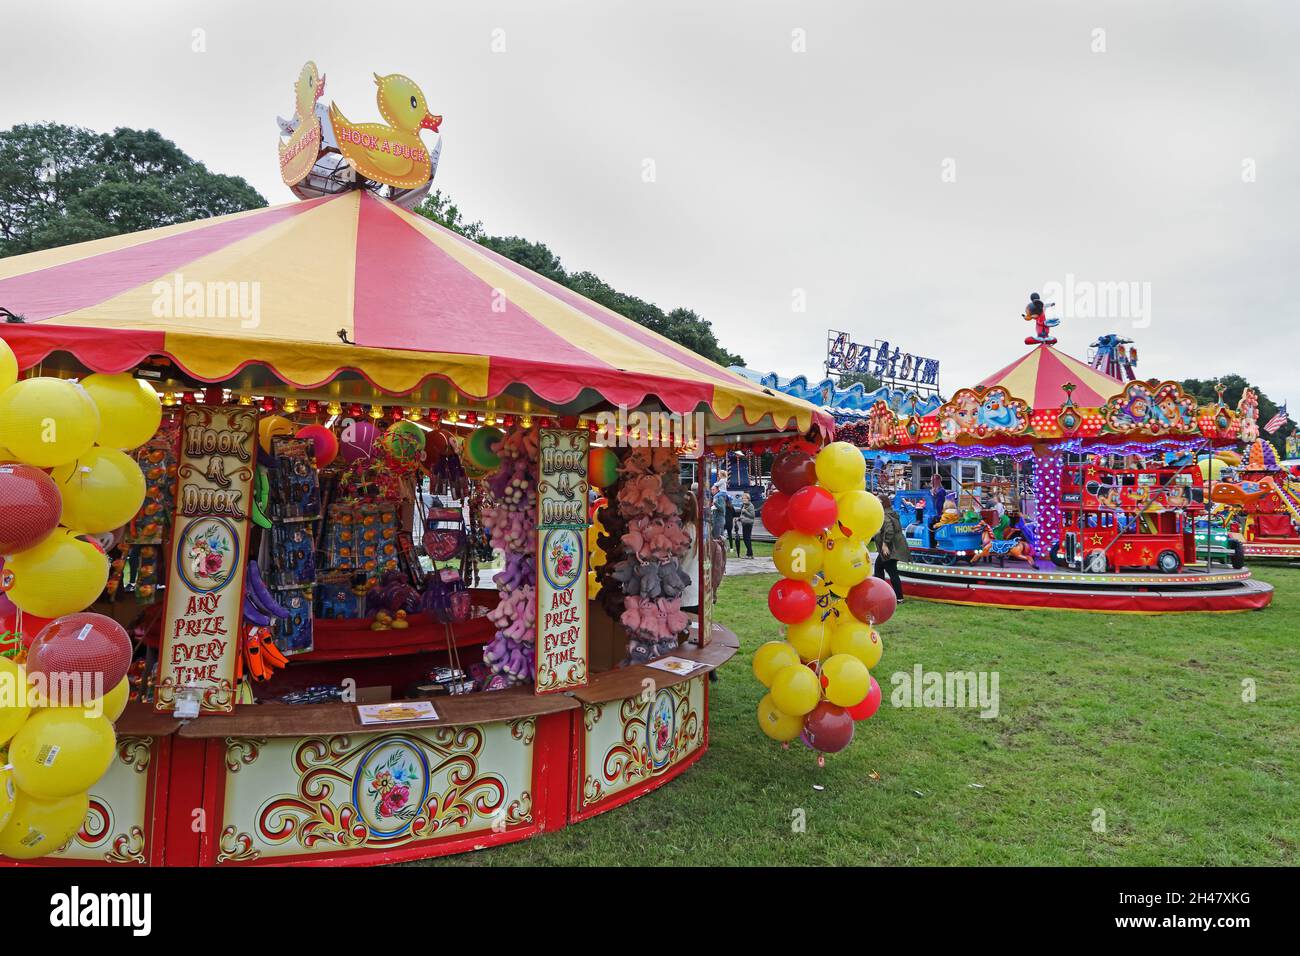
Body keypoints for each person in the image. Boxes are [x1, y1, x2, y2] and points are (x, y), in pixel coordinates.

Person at [872, 491, 910, 602]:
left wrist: (884, 544)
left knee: (890, 571)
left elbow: (889, 530)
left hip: (889, 548)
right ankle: (885, 595)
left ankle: (896, 597)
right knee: (880, 568)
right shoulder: (892, 513)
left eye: (878, 501)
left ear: (882, 503)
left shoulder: (884, 515)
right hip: (894, 547)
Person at [736, 493, 756, 558]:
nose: (744, 500)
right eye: (743, 498)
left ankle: (750, 554)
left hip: (748, 524)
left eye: (745, 498)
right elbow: (742, 515)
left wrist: (745, 511)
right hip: (744, 523)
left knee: (746, 539)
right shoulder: (744, 505)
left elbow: (752, 516)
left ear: (748, 499)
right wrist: (739, 518)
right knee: (746, 539)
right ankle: (749, 554)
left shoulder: (750, 505)